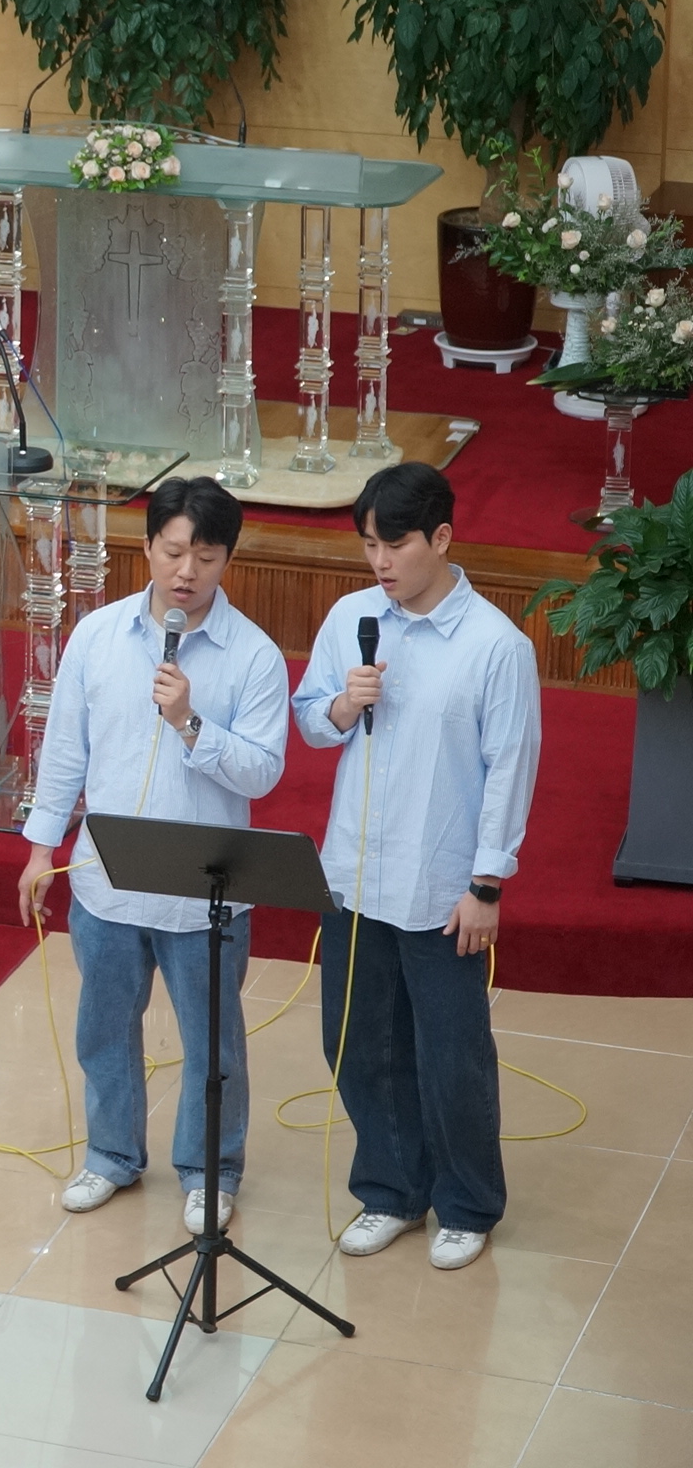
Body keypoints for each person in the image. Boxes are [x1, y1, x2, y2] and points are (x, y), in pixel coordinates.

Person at [18, 477, 288, 1231]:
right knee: (104, 1027)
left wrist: (190, 722)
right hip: (106, 878)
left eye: (205, 557)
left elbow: (263, 773)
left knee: (211, 1044)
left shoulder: (254, 656)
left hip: (206, 890)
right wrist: (41, 850)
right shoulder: (97, 637)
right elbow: (64, 751)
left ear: (228, 559)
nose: (186, 572)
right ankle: (111, 1155)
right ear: (146, 547)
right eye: (172, 552)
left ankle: (210, 1171)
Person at [292, 462, 541, 1272]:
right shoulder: (352, 617)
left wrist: (486, 885)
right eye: (369, 544)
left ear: (441, 537)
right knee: (356, 1042)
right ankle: (393, 1189)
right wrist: (344, 704)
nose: (380, 563)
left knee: (451, 1055)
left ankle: (467, 1204)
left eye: (395, 545)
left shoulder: (495, 647)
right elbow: (312, 719)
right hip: (354, 874)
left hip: (442, 887)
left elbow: (510, 769)